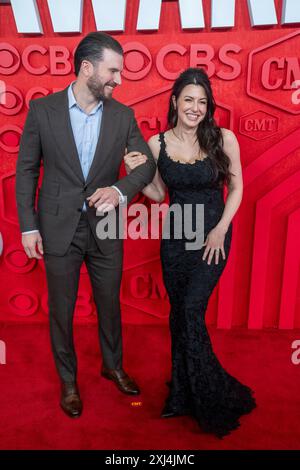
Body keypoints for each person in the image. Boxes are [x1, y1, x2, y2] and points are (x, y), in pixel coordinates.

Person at [16, 32, 156, 419]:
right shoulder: (42, 111)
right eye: (113, 71)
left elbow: (145, 163)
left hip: (106, 229)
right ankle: (69, 381)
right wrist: (28, 226)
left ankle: (112, 366)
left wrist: (119, 189)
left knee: (109, 303)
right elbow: (26, 170)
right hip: (58, 226)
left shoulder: (122, 115)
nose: (119, 80)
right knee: (61, 310)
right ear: (87, 68)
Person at [124, 67, 256, 438]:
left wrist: (220, 230)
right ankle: (181, 392)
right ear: (174, 102)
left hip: (212, 239)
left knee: (190, 311)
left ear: (207, 106)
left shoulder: (223, 138)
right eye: (189, 100)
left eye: (202, 102)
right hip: (176, 241)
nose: (195, 108)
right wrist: (135, 170)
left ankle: (209, 394)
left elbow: (237, 187)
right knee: (177, 316)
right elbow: (156, 194)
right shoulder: (157, 144)